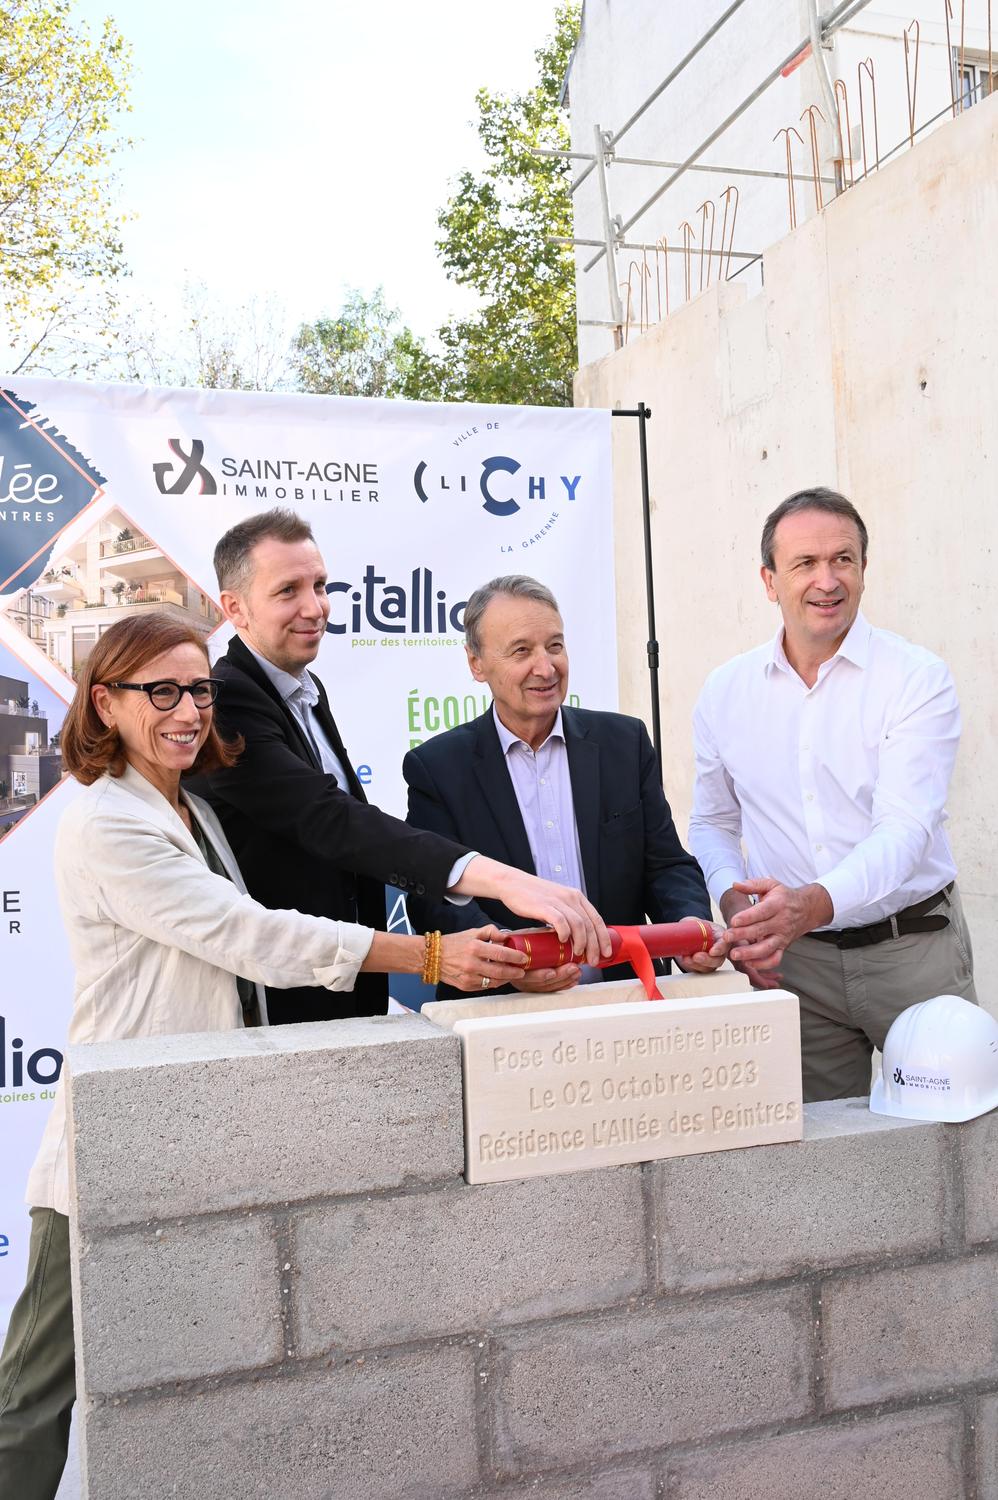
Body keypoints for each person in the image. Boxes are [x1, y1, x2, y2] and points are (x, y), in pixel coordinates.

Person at [0, 612, 533, 1500]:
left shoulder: (194, 806)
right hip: (109, 1151)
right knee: (36, 1392)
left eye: (200, 690)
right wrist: (428, 957)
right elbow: (245, 935)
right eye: (159, 691)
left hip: (194, 1139)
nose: (186, 710)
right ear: (105, 702)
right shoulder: (106, 823)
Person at [192, 512, 610, 1024]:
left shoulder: (304, 689)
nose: (315, 607)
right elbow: (329, 819)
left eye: (320, 585)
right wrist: (504, 882)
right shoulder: (227, 701)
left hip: (346, 996)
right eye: (288, 591)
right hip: (283, 1004)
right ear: (235, 607)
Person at [688, 487, 977, 1102]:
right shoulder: (724, 692)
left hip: (913, 951)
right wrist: (736, 907)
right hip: (796, 969)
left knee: (954, 1145)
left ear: (864, 571)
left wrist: (809, 905)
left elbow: (904, 830)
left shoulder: (916, 678)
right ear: (769, 581)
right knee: (816, 1164)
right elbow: (712, 821)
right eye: (804, 564)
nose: (827, 580)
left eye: (843, 559)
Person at [403, 575, 724, 998]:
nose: (546, 666)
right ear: (476, 664)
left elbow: (666, 865)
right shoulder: (438, 768)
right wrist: (512, 962)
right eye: (522, 651)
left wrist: (689, 929)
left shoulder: (622, 744)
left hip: (626, 1002)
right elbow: (436, 901)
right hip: (504, 1013)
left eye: (554, 646)